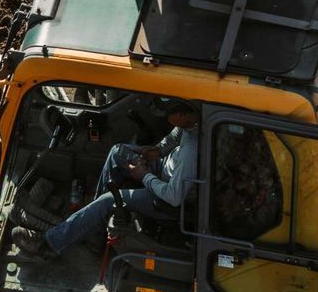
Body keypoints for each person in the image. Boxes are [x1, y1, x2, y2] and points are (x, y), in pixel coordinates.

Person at [12, 99, 201, 258]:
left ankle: (49, 244)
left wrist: (145, 176)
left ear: (183, 115)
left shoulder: (192, 152)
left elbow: (174, 197)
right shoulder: (192, 124)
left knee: (108, 200)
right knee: (118, 151)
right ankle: (94, 232)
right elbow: (174, 138)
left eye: (170, 115)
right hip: (164, 171)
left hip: (166, 199)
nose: (168, 120)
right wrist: (156, 150)